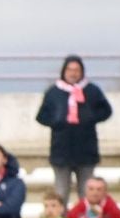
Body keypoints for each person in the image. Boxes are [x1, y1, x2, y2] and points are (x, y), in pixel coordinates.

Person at [35, 56, 113, 203]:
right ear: (64, 71)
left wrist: (89, 118)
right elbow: (41, 116)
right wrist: (58, 121)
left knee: (87, 194)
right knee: (61, 193)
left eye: (77, 70)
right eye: (70, 70)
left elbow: (106, 111)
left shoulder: (92, 90)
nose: (73, 73)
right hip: (61, 151)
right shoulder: (54, 92)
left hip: (86, 150)